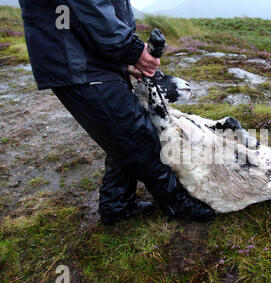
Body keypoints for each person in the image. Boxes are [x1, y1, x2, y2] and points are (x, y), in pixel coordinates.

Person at [18, 0, 215, 225]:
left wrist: (122, 58)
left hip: (90, 56)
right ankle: (177, 202)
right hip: (77, 60)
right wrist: (130, 49)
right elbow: (88, 6)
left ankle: (117, 205)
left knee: (120, 133)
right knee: (137, 135)